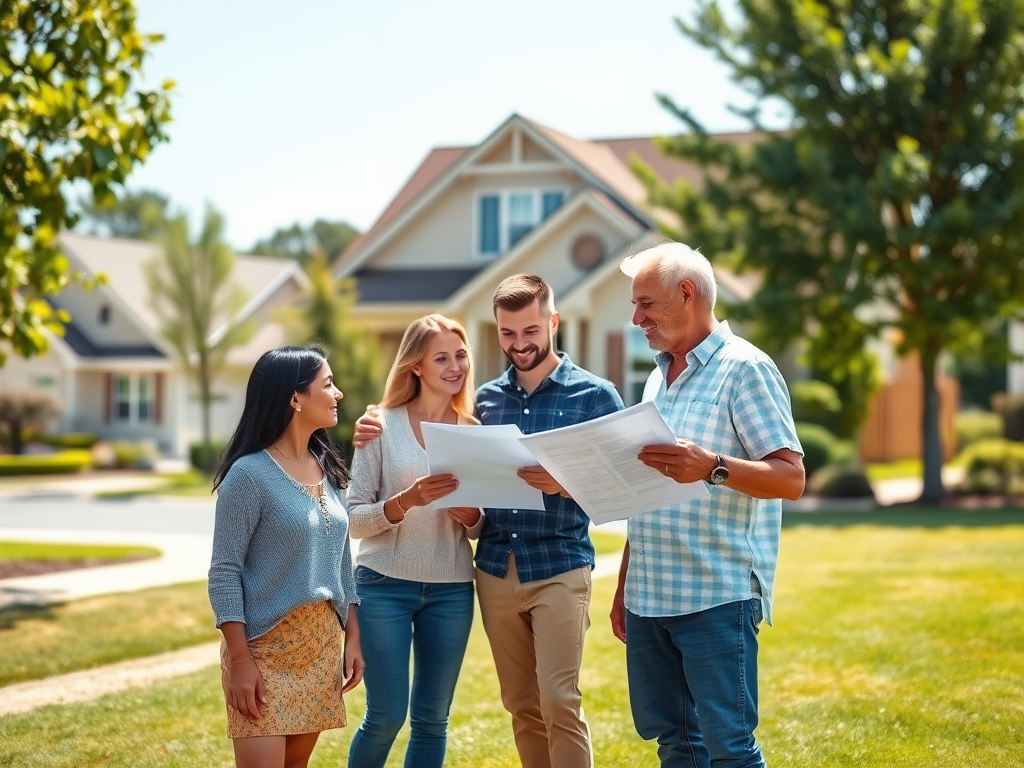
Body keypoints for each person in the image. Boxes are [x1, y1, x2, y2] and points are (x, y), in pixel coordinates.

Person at [355, 274, 624, 768]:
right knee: (521, 705)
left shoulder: (596, 397)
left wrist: (564, 484)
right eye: (507, 333)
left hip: (560, 565)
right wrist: (373, 422)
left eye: (530, 330)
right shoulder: (483, 403)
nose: (519, 344)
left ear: (553, 321)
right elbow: (432, 435)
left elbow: (620, 486)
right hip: (496, 569)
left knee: (559, 701)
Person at [609, 243, 805, 768]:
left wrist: (713, 466)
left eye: (646, 304)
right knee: (674, 742)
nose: (636, 318)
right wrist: (625, 584)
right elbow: (647, 490)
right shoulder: (658, 377)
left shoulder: (747, 370)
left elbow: (790, 478)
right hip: (650, 595)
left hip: (715, 596)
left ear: (687, 294)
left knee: (730, 748)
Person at [209, 345, 363, 768]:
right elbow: (224, 572)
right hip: (263, 652)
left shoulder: (326, 466)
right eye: (327, 384)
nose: (338, 394)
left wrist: (354, 636)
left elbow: (343, 561)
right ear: (296, 398)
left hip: (318, 648)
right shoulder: (248, 475)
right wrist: (240, 661)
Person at [345, 314, 484, 768]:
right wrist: (405, 501)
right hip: (383, 585)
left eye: (460, 355)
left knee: (432, 719)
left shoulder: (473, 431)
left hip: (452, 588)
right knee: (385, 716)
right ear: (416, 367)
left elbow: (481, 521)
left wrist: (472, 518)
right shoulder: (379, 426)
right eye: (440, 357)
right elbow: (355, 520)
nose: (454, 366)